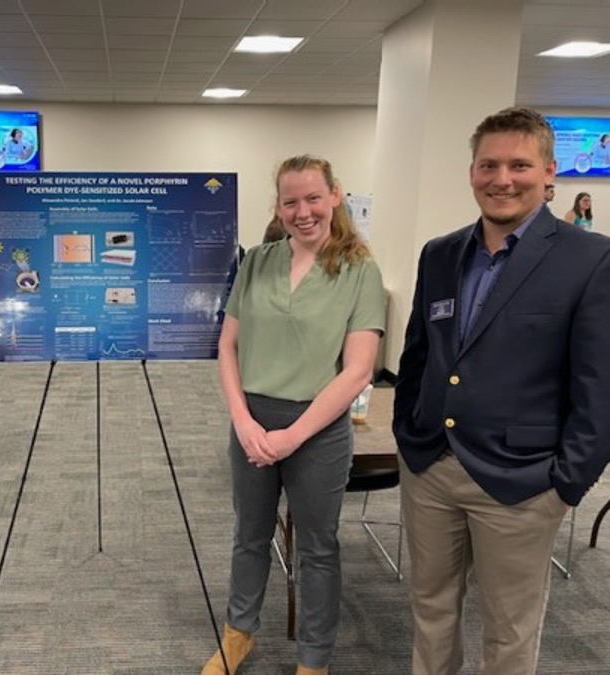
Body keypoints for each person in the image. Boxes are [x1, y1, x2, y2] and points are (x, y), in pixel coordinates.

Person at [393, 106, 610, 674]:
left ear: (549, 173)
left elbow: (600, 385)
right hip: (431, 466)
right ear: (471, 172)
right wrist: (408, 430)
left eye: (519, 164)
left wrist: (568, 483)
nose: (502, 178)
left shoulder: (590, 258)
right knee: (430, 608)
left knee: (509, 628)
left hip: (524, 479)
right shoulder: (440, 253)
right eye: (489, 164)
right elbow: (419, 353)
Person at [204, 155, 385, 675]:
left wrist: (292, 437)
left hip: (319, 428)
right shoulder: (257, 261)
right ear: (278, 206)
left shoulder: (359, 271)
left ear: (334, 195)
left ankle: (314, 658)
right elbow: (228, 347)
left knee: (318, 548)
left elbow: (357, 371)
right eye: (290, 201)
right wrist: (243, 422)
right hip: (252, 421)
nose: (302, 212)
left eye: (312, 198)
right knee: (249, 535)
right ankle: (239, 634)